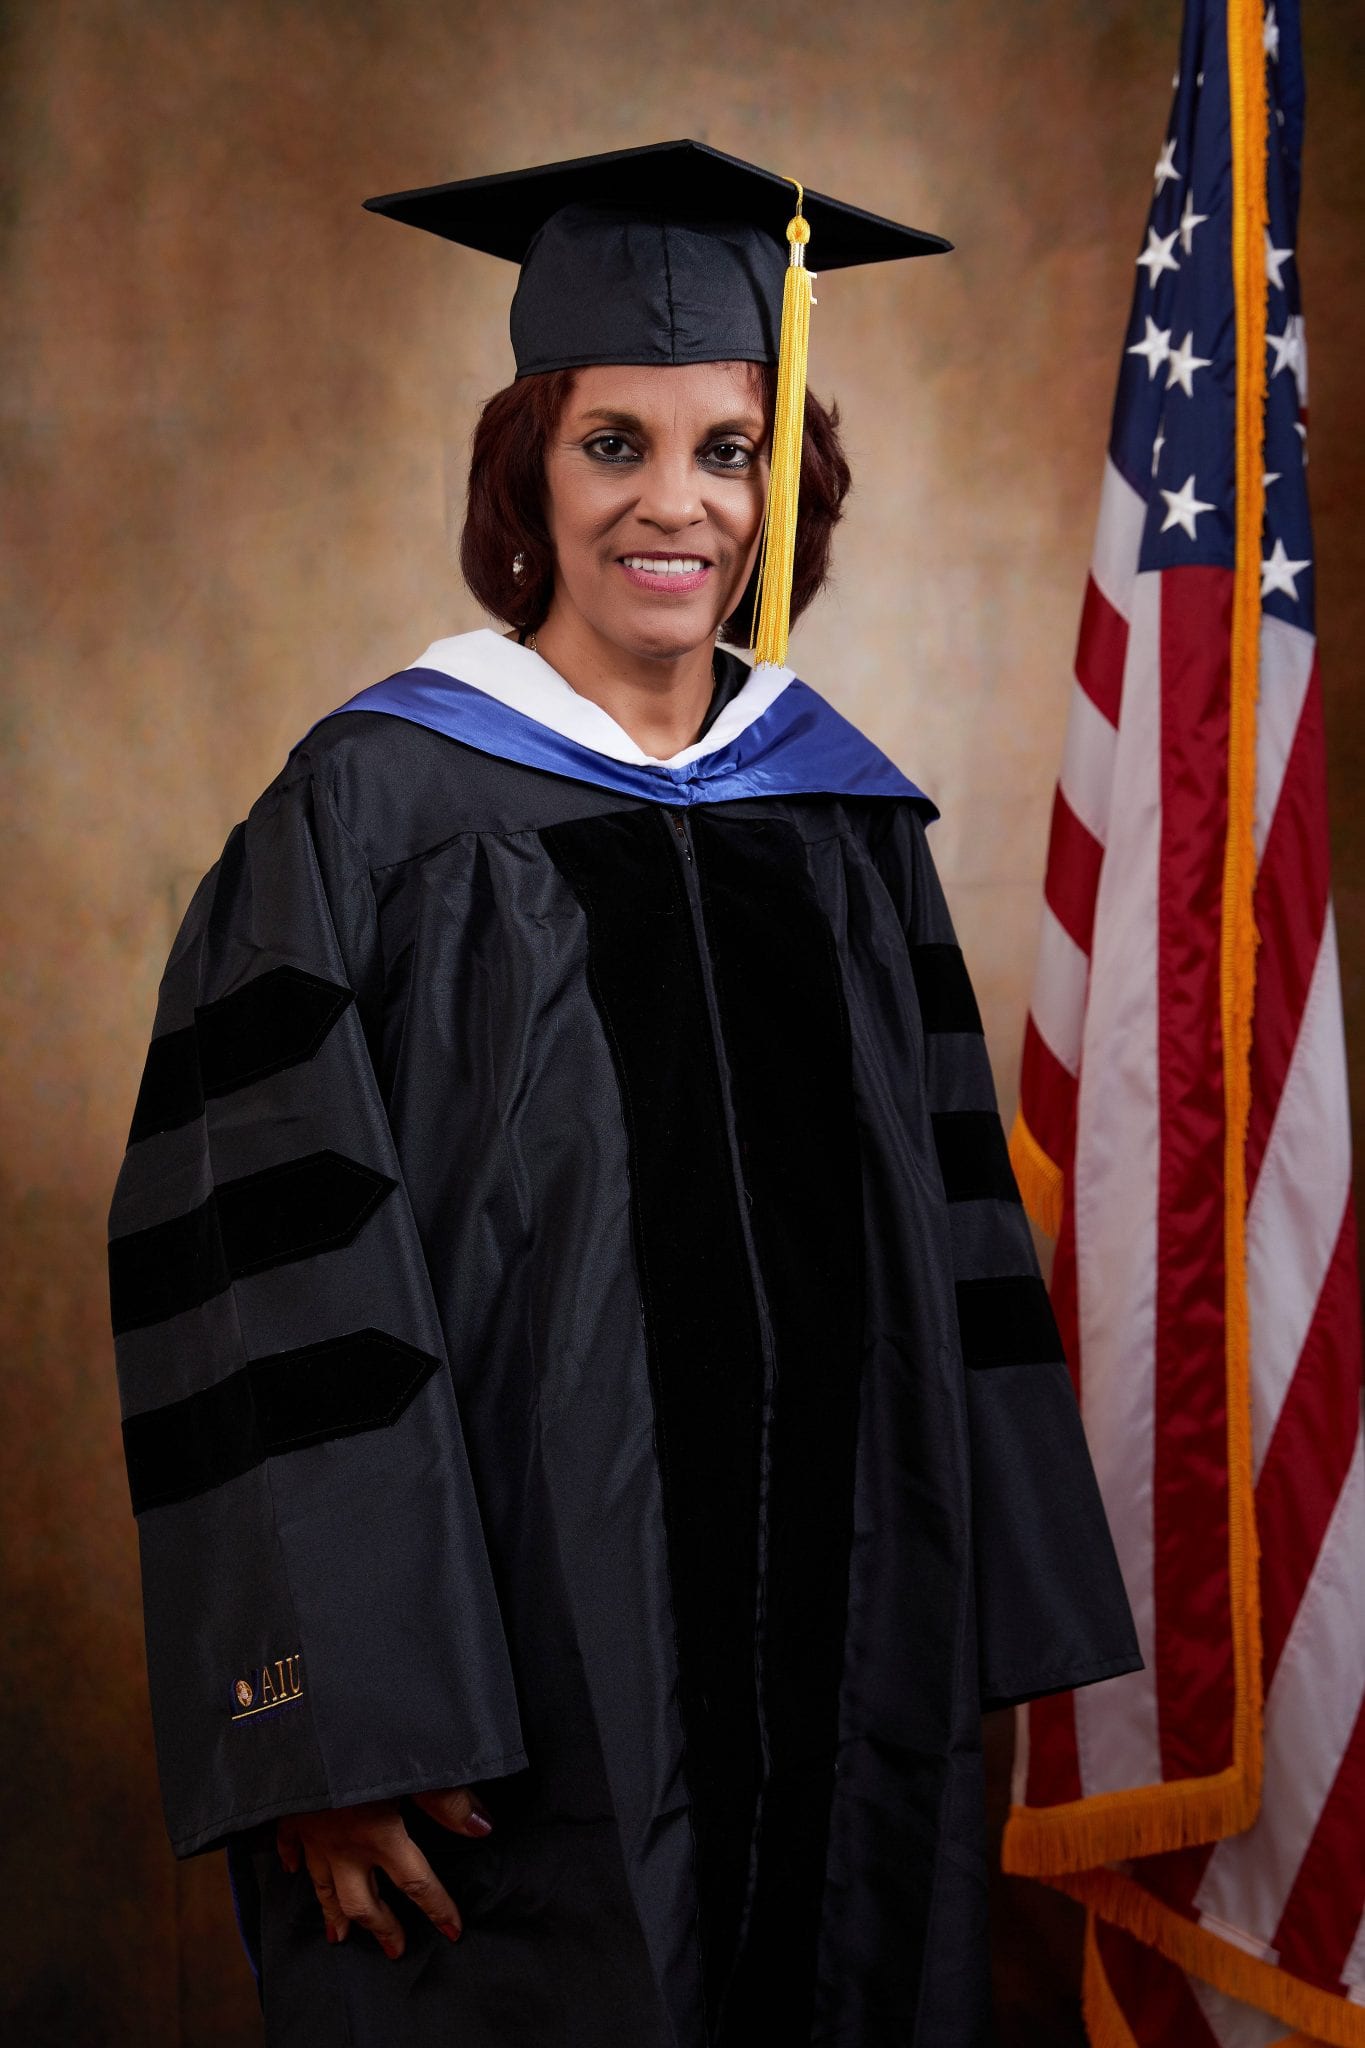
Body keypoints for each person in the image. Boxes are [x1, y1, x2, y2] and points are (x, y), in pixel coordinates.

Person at [107, 140, 1140, 2048]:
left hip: (843, 1677)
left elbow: (953, 1258)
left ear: (779, 482)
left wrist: (960, 1611)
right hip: (506, 1715)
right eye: (613, 446)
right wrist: (336, 1724)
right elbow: (265, 1282)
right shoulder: (374, 813)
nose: (675, 503)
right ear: (529, 472)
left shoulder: (840, 821)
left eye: (726, 449)